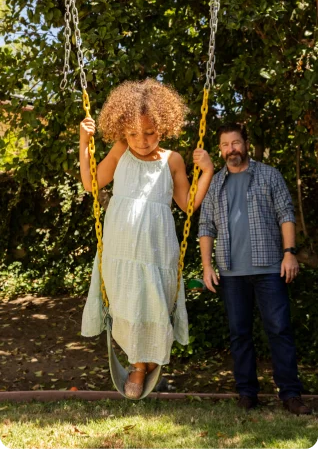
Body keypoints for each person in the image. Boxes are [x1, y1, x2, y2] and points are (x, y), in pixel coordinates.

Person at [80, 79, 214, 399]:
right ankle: (138, 363)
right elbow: (91, 185)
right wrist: (83, 143)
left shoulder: (173, 160)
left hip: (157, 246)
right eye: (133, 133)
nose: (142, 141)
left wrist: (207, 172)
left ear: (164, 127)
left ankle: (145, 363)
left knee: (153, 303)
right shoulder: (119, 151)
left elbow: (188, 204)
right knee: (126, 303)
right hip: (120, 246)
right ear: (122, 130)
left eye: (150, 132)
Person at [198, 122, 312, 415]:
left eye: (235, 143)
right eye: (224, 145)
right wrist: (207, 265)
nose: (230, 149)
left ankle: (290, 395)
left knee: (279, 330)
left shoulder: (268, 175)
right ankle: (247, 394)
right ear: (220, 149)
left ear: (245, 143)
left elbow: (286, 214)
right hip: (231, 271)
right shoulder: (214, 183)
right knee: (239, 334)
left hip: (270, 268)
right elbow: (206, 226)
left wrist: (289, 253)